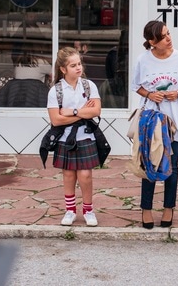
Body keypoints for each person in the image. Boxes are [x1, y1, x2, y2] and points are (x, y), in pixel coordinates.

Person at [131, 20, 178, 229]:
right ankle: (146, 210)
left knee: (172, 166)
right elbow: (136, 86)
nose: (169, 39)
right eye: (164, 37)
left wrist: (176, 92)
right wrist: (150, 93)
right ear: (152, 42)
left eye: (169, 34)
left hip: (175, 119)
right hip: (151, 120)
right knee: (150, 163)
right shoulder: (144, 60)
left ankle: (169, 209)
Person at [47, 47, 102, 227]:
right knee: (69, 175)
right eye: (73, 65)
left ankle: (88, 210)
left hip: (85, 136)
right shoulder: (56, 91)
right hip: (65, 138)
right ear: (63, 69)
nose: (78, 68)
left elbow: (96, 110)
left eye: (79, 64)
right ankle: (70, 210)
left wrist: (72, 112)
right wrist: (82, 114)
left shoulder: (89, 85)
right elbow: (56, 120)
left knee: (85, 175)